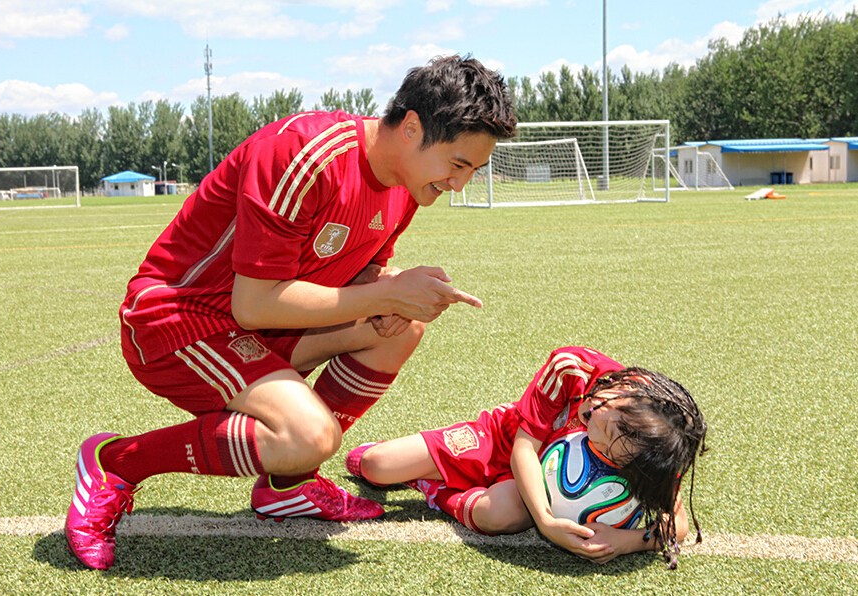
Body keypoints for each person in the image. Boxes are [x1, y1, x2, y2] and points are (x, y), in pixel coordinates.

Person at [65, 54, 518, 570]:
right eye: (457, 165)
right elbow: (254, 303)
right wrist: (384, 295)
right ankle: (115, 463)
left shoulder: (406, 187)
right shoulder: (304, 152)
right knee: (308, 436)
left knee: (399, 329)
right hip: (182, 321)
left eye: (472, 171)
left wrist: (398, 292)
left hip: (267, 329)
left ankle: (288, 484)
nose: (459, 184)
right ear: (412, 127)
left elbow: (359, 279)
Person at [346, 346, 707, 569]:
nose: (596, 441)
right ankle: (428, 468)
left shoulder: (657, 445)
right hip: (503, 441)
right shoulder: (573, 367)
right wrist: (548, 522)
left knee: (500, 514)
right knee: (376, 467)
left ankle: (433, 488)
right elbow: (523, 449)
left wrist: (625, 541)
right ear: (624, 395)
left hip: (526, 489)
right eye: (607, 431)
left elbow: (678, 523)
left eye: (614, 456)